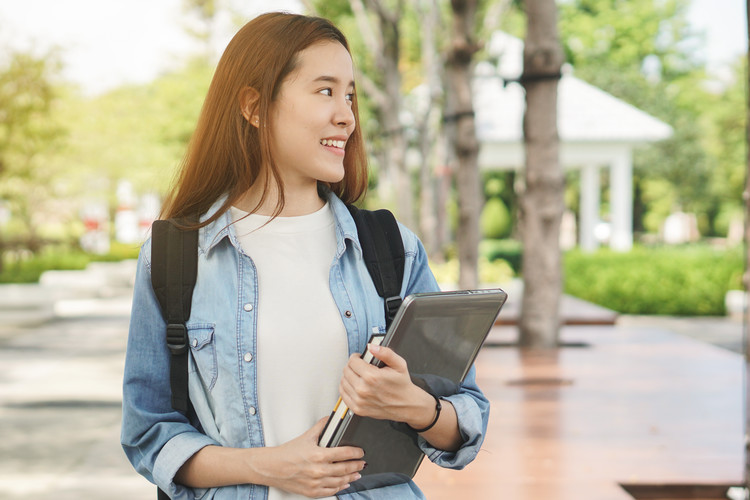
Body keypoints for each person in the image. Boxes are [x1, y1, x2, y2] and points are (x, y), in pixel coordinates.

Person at [121, 11, 489, 500]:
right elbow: (149, 435)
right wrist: (268, 467)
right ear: (254, 106)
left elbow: (467, 415)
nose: (347, 116)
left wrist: (416, 405)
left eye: (350, 95)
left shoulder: (391, 248)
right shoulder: (175, 257)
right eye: (324, 91)